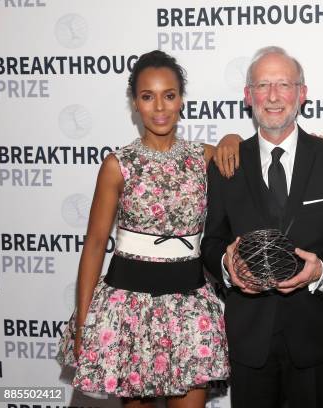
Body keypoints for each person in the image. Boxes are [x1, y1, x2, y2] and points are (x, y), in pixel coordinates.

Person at [57, 50, 241, 407]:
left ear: (181, 100)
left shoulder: (205, 158)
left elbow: (259, 161)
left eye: (169, 95)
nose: (159, 106)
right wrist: (83, 322)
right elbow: (95, 244)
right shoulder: (117, 165)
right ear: (135, 105)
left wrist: (232, 137)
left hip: (190, 310)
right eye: (147, 96)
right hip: (129, 311)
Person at [201, 46, 323, 408]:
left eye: (283, 84)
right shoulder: (226, 165)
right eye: (262, 85)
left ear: (302, 93)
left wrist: (322, 269)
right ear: (248, 96)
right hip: (249, 344)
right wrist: (227, 267)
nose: (273, 96)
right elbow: (210, 242)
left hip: (318, 341)